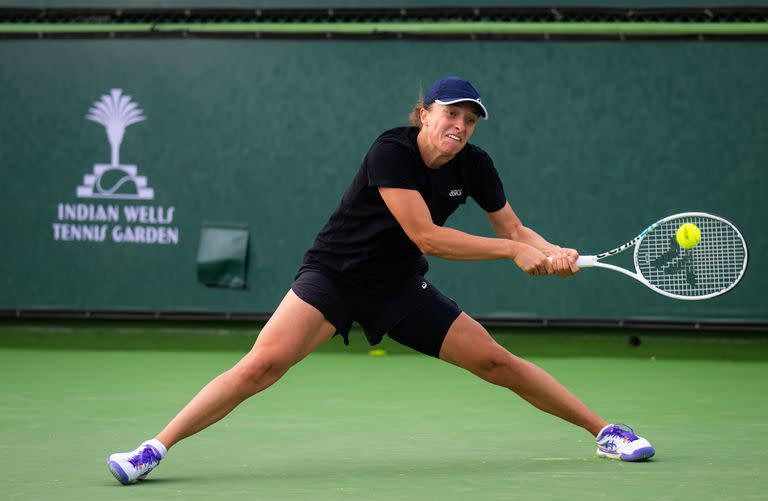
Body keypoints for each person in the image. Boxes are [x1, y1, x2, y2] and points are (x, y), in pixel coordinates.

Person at [107, 76, 654, 485]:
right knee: (261, 366)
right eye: (451, 115)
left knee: (496, 362)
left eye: (470, 119)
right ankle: (154, 448)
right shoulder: (390, 151)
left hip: (397, 288)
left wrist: (551, 251)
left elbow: (513, 227)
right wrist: (514, 252)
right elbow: (428, 237)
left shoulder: (476, 166)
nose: (460, 127)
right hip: (335, 276)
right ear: (424, 114)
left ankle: (606, 432)